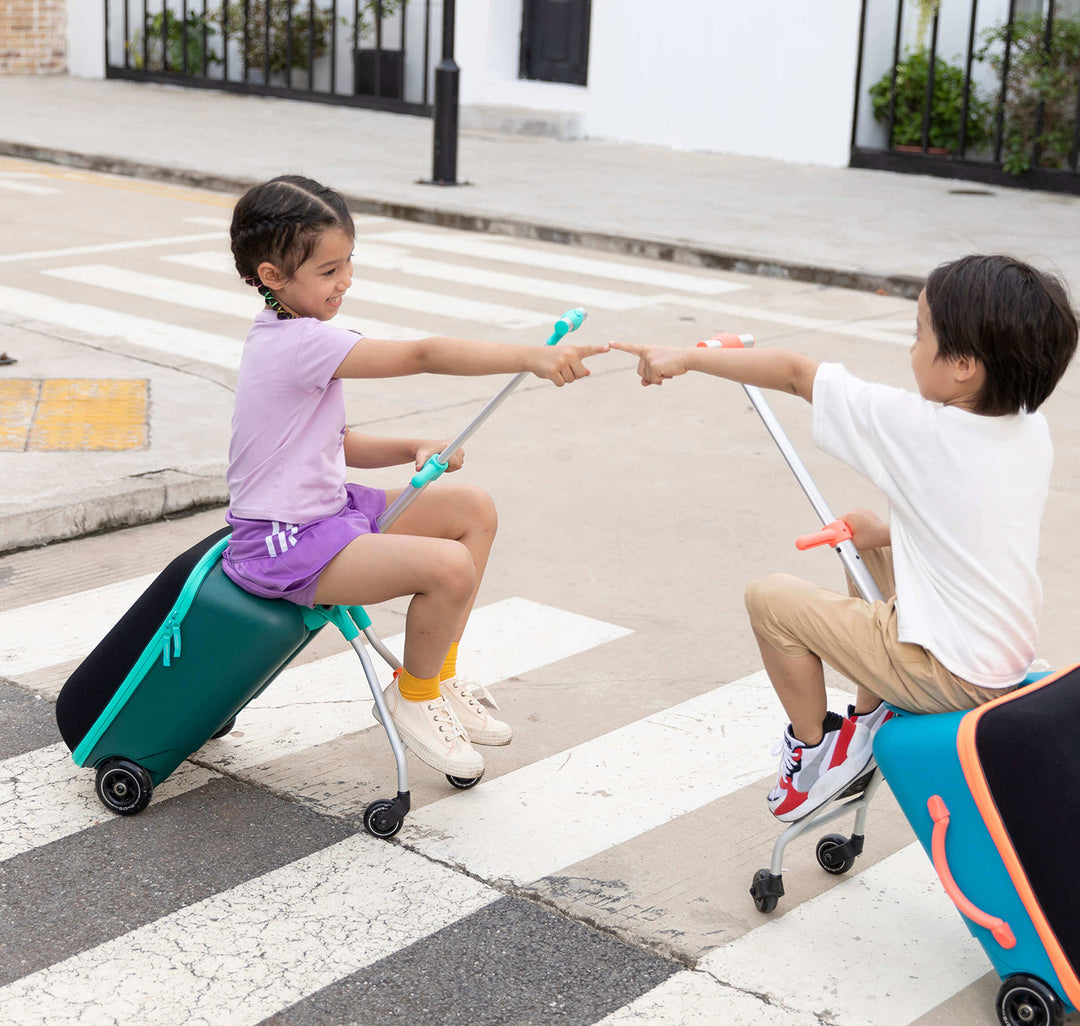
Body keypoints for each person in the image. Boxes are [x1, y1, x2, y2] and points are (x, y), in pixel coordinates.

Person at [613, 254, 1078, 821]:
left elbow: (795, 373)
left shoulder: (921, 429)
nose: (911, 347)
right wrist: (885, 530)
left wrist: (684, 356)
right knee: (865, 531)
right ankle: (868, 716)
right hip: (997, 651)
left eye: (920, 333)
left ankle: (815, 755)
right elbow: (973, 528)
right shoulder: (1028, 429)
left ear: (962, 364)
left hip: (945, 669)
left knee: (770, 600)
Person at [223, 175, 608, 782]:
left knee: (471, 509)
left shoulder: (292, 337)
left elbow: (330, 442)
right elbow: (423, 354)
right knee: (447, 566)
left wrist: (410, 446)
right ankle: (416, 695)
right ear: (273, 276)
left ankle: (438, 674)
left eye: (349, 262)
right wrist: (528, 356)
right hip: (282, 542)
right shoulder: (299, 343)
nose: (344, 280)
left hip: (326, 513)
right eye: (327, 271)